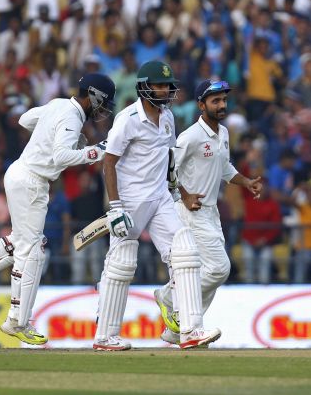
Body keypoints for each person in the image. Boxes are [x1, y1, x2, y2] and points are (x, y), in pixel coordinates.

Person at [0, 73, 116, 345]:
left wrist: (51, 136)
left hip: (21, 174)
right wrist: (95, 151)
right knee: (32, 252)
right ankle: (17, 321)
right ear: (94, 96)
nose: (103, 110)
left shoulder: (57, 104)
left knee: (20, 242)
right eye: (103, 103)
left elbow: (24, 119)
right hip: (32, 182)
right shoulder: (73, 118)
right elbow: (62, 156)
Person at [93, 61, 220, 351]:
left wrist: (183, 194)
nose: (165, 90)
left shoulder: (167, 117)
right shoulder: (127, 119)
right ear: (144, 87)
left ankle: (189, 330)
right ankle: (105, 336)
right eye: (159, 85)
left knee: (185, 251)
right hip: (130, 200)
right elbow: (108, 162)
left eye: (167, 85)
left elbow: (169, 163)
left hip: (161, 196)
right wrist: (114, 207)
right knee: (122, 263)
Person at [158, 79, 263, 345]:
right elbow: (168, 169)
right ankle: (170, 297)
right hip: (189, 210)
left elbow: (224, 167)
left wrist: (246, 181)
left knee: (209, 274)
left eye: (224, 100)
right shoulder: (190, 136)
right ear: (201, 105)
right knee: (219, 268)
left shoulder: (224, 133)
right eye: (215, 101)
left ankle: (179, 330)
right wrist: (185, 195)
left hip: (210, 212)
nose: (222, 105)